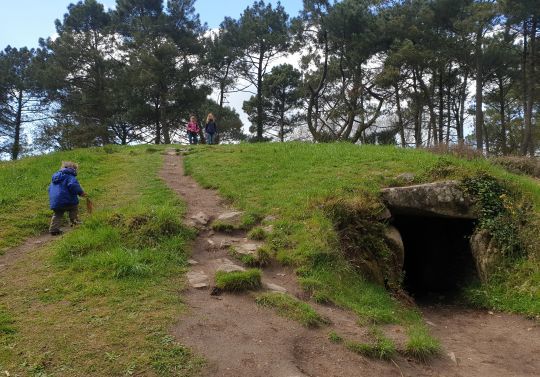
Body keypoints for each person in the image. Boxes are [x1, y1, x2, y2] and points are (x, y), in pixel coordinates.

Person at [48, 161, 87, 235]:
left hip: (55, 201)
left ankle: (54, 230)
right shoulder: (70, 176)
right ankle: (74, 222)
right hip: (67, 200)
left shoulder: (55, 178)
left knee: (58, 214)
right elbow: (72, 185)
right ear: (73, 169)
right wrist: (80, 192)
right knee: (74, 208)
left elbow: (49, 189)